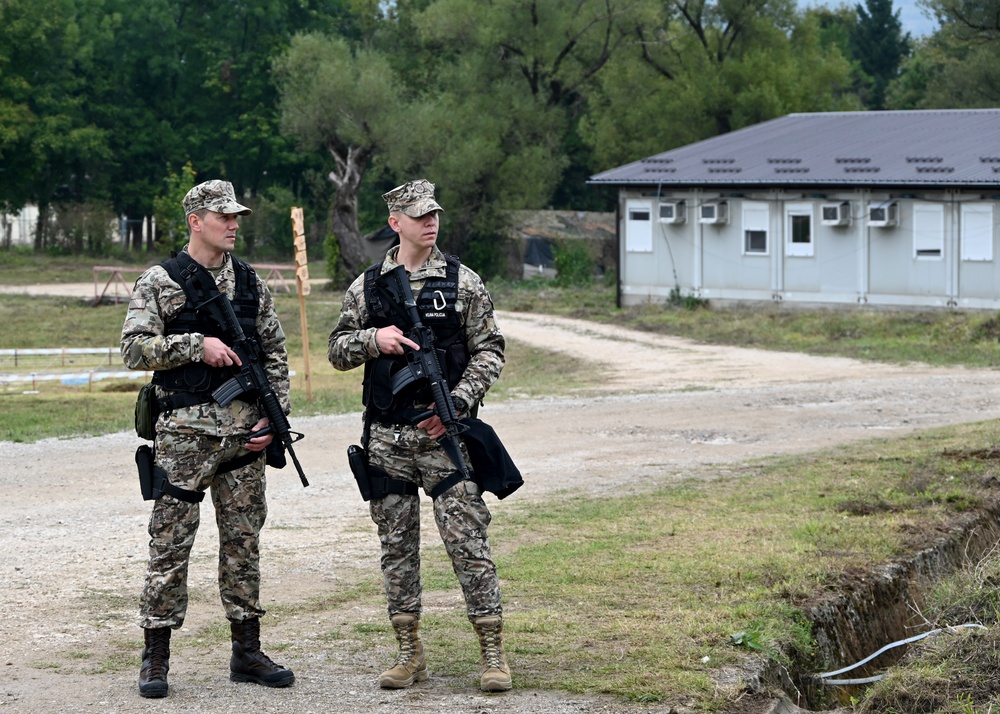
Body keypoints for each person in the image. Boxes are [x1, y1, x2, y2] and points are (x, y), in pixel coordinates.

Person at [328, 179, 512, 692]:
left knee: (467, 541)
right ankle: (409, 651)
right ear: (395, 222)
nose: (430, 222)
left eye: (434, 214)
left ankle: (492, 650)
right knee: (396, 547)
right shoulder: (368, 286)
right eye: (418, 215)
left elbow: (491, 350)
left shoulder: (463, 283)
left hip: (443, 436)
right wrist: (373, 338)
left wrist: (456, 403)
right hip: (387, 439)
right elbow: (337, 351)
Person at [121, 179, 295, 698]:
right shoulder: (160, 281)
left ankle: (247, 651)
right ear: (196, 221)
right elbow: (134, 350)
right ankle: (156, 656)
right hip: (183, 438)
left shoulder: (249, 282)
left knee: (243, 543)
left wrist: (275, 418)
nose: (234, 224)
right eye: (224, 216)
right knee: (170, 544)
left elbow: (276, 355)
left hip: (245, 438)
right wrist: (197, 346)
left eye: (237, 216)